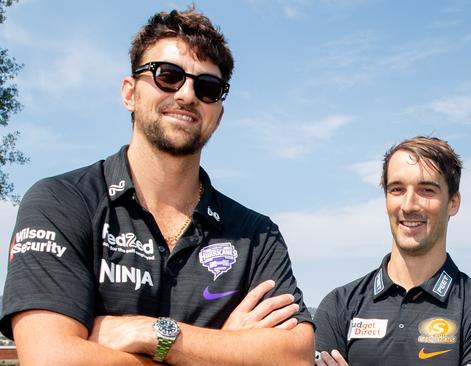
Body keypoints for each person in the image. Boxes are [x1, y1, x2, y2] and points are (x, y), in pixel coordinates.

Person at [0, 6, 314, 365]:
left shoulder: (256, 235)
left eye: (208, 87)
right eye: (168, 76)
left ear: (219, 114)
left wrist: (153, 333)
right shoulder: (61, 202)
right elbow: (52, 359)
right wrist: (223, 349)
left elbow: (295, 356)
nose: (186, 95)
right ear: (129, 93)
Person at [314, 136, 471, 366]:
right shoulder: (339, 306)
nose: (408, 205)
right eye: (397, 189)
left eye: (426, 190)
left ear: (453, 203)